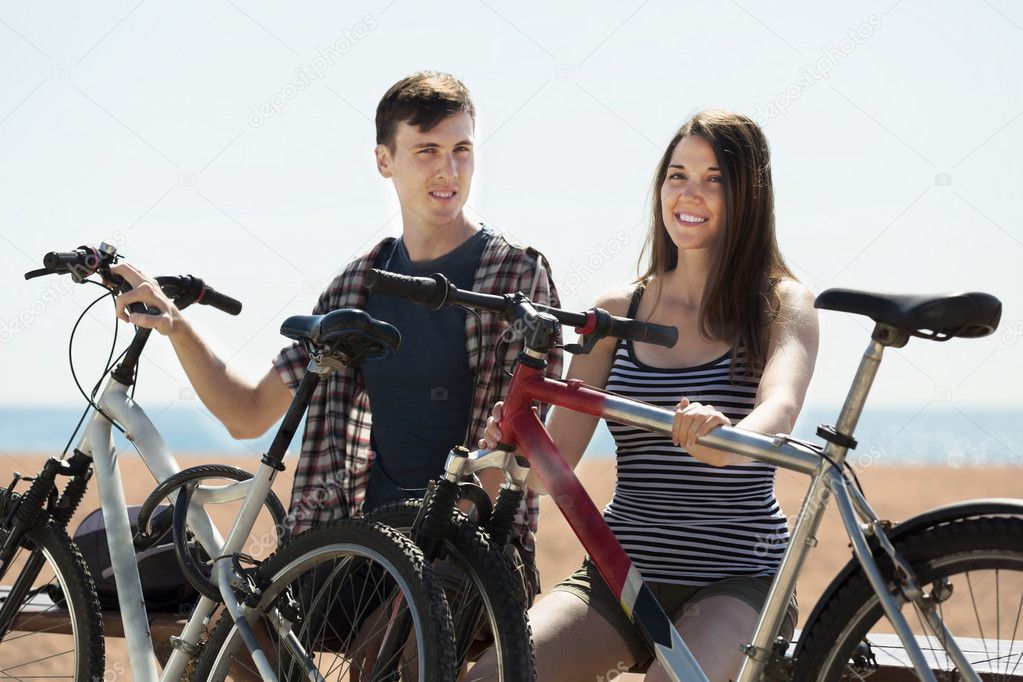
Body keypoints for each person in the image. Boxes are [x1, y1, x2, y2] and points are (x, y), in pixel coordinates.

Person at [110, 71, 562, 585]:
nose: (449, 169)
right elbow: (248, 412)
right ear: (384, 160)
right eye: (427, 151)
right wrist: (176, 325)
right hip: (361, 550)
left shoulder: (515, 279)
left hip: (469, 559)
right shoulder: (356, 288)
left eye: (462, 149)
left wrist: (425, 567)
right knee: (225, 618)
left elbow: (510, 454)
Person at [475, 110, 819, 682]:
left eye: (714, 179)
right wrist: (512, 446)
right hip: (621, 576)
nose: (690, 193)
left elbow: (779, 408)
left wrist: (729, 441)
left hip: (739, 580)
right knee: (492, 676)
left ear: (749, 194)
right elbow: (549, 471)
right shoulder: (617, 312)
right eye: (678, 175)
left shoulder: (782, 303)